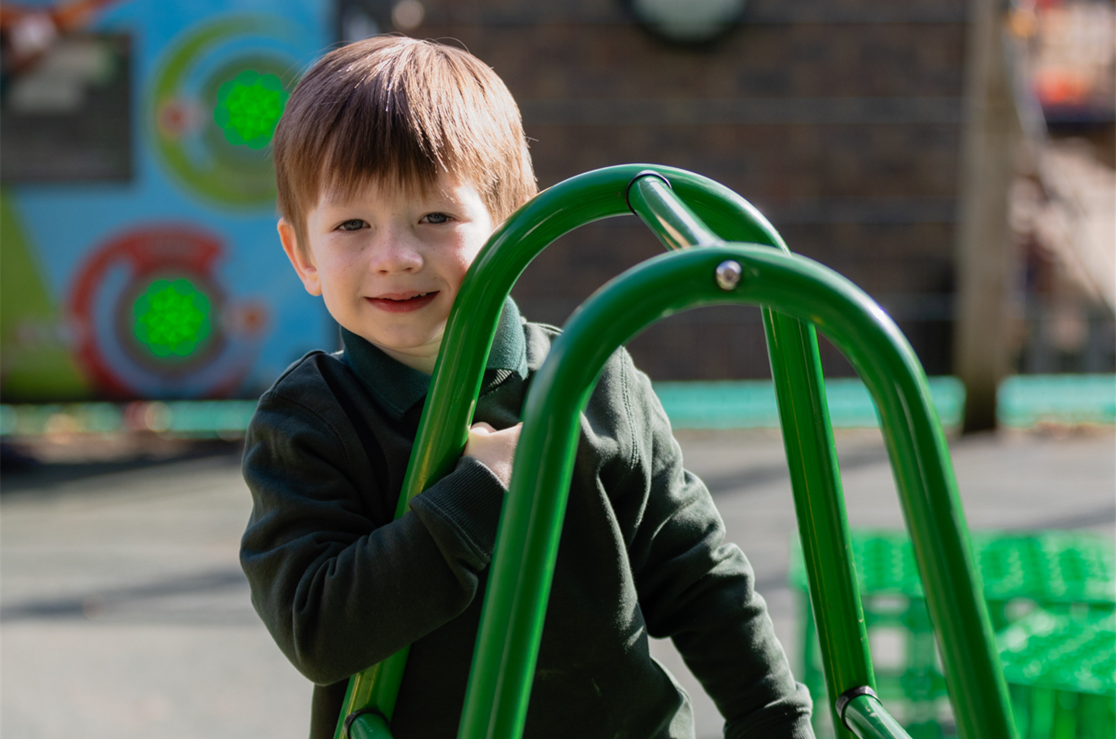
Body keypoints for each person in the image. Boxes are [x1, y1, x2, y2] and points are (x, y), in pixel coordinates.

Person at [240, 36, 814, 739]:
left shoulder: (593, 379)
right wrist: (470, 499)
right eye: (352, 224)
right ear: (303, 252)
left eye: (435, 217)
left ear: (513, 226)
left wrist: (774, 715)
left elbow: (694, 572)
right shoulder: (310, 421)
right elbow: (319, 631)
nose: (395, 256)